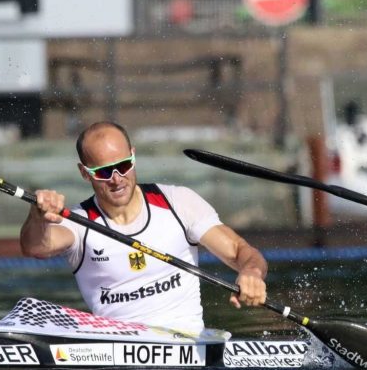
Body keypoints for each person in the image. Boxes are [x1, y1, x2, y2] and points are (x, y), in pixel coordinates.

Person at [20, 121, 268, 334]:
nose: (117, 179)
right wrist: (37, 214)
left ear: (133, 155)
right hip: (116, 359)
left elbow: (240, 251)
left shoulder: (178, 203)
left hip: (186, 356)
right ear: (85, 174)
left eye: (124, 165)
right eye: (104, 172)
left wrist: (252, 273)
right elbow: (34, 247)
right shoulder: (78, 223)